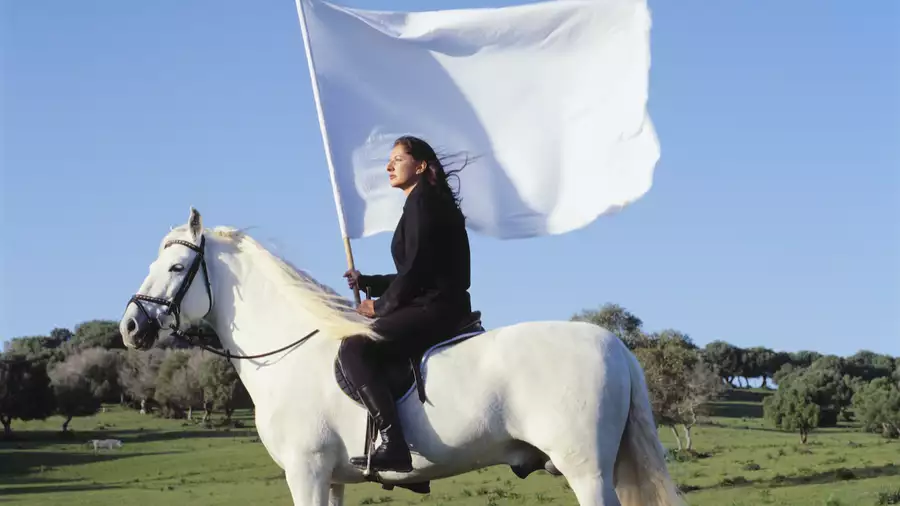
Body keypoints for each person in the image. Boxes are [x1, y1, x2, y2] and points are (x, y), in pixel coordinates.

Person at [339, 135, 472, 472]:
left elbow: (415, 272)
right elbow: (417, 268)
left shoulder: (424, 203)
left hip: (436, 307)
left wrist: (379, 306)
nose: (389, 166)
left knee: (354, 348)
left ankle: (394, 442)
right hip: (434, 300)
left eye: (397, 159)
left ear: (421, 165)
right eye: (390, 160)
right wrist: (368, 282)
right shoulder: (423, 202)